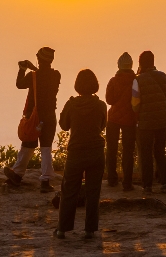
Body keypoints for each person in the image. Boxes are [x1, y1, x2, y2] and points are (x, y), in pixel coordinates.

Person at [54, 69, 107, 239]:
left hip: (76, 151)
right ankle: (89, 230)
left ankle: (62, 229)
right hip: (96, 152)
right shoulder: (100, 105)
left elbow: (63, 125)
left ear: (77, 85)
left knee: (69, 190)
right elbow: (103, 125)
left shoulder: (71, 104)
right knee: (93, 191)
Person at [4, 47, 62, 192]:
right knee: (46, 148)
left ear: (39, 59)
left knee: (28, 145)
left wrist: (22, 69)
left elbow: (19, 84)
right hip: (49, 116)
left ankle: (17, 175)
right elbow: (44, 77)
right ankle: (45, 181)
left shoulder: (33, 76)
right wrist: (34, 68)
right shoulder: (56, 75)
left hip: (34, 116)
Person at [132, 50, 166, 194]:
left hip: (145, 123)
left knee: (146, 152)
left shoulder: (138, 80)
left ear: (140, 63)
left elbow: (135, 103)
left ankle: (147, 185)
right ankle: (165, 182)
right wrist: (161, 109)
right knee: (159, 151)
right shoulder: (163, 76)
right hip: (162, 120)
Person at [104, 52, 137, 191]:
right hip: (130, 118)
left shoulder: (113, 80)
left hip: (113, 119)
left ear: (118, 65)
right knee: (128, 151)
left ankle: (112, 179)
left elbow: (109, 100)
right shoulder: (136, 81)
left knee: (111, 149)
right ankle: (127, 182)